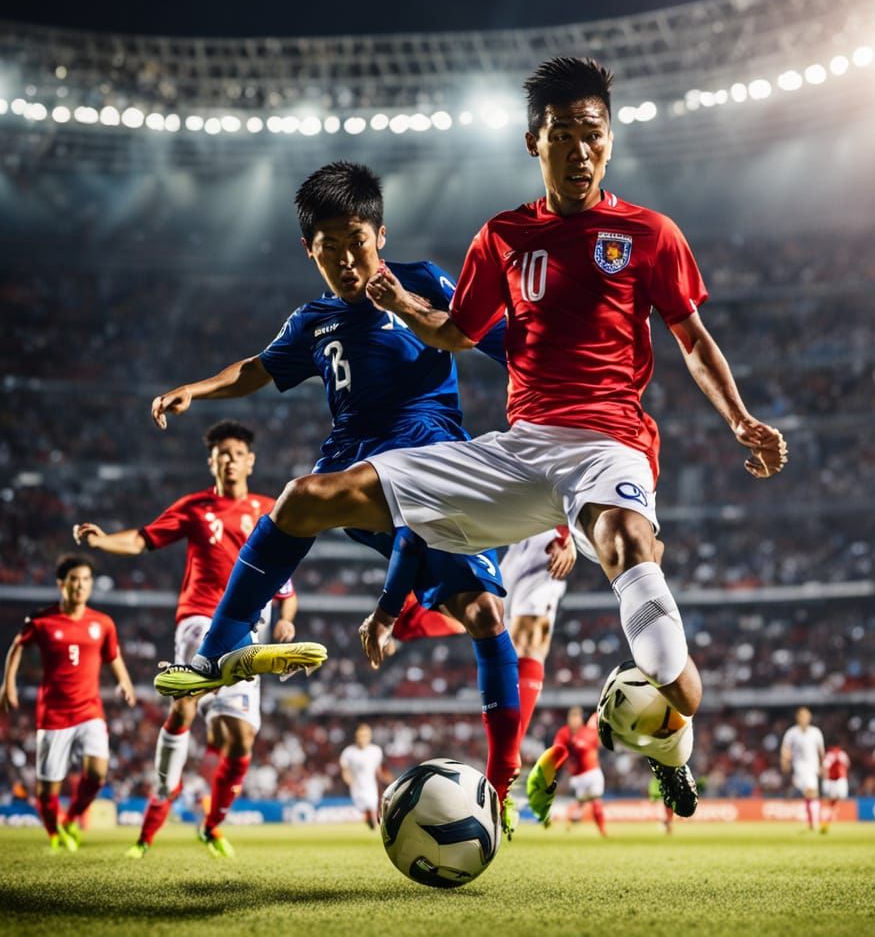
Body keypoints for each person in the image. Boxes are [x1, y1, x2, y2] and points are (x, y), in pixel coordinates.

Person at [156, 57, 788, 823]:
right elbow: (460, 332)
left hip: (607, 443)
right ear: (535, 142)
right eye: (564, 136)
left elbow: (692, 340)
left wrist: (740, 419)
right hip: (518, 449)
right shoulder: (500, 238)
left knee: (642, 596)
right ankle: (219, 651)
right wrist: (403, 305)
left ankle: (655, 741)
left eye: (593, 135)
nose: (580, 149)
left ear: (610, 142)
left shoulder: (649, 234)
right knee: (300, 498)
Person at [147, 162, 523, 824]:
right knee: (297, 500)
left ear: (381, 233)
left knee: (489, 617)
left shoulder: (423, 281)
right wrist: (196, 390)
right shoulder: (313, 320)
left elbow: (499, 340)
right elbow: (259, 369)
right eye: (331, 248)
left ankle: (502, 783)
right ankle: (216, 654)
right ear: (309, 250)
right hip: (357, 463)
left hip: (431, 458)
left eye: (358, 241)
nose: (348, 260)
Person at [73, 420, 298, 858]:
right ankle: (162, 796)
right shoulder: (195, 507)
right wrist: (103, 542)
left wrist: (286, 620)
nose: (229, 460)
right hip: (200, 616)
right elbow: (143, 540)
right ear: (211, 461)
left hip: (252, 623)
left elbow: (286, 586)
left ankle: (212, 826)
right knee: (185, 704)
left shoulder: (272, 512)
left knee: (241, 741)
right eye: (222, 453)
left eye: (237, 452)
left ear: (250, 461)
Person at [1, 555, 135, 852]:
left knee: (98, 773)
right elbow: (16, 648)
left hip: (90, 709)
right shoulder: (42, 620)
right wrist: (7, 683)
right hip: (53, 715)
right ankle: (54, 831)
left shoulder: (102, 623)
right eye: (74, 579)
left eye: (86, 580)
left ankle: (72, 818)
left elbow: (113, 656)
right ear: (61, 583)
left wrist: (123, 681)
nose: (80, 585)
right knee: (48, 787)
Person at [500, 526, 576, 743]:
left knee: (527, 642)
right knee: (484, 626)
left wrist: (566, 534)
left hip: (545, 533)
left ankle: (507, 755)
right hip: (508, 534)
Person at [531, 707, 607, 836]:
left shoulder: (589, 732)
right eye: (572, 717)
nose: (574, 720)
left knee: (596, 800)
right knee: (583, 801)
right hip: (578, 776)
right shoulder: (564, 733)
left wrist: (600, 728)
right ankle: (571, 819)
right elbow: (558, 750)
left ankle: (602, 830)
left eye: (576, 717)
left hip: (594, 772)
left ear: (581, 718)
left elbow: (599, 744)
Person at [781, 706, 825, 832]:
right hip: (799, 767)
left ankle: (813, 822)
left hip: (813, 767)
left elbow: (821, 751)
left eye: (806, 715)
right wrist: (784, 762)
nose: (804, 718)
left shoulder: (816, 732)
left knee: (811, 792)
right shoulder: (791, 733)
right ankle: (813, 822)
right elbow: (785, 749)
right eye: (801, 715)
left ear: (810, 717)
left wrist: (823, 766)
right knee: (809, 793)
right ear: (797, 718)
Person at [339, 722, 389, 829]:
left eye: (365, 735)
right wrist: (348, 780)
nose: (362, 738)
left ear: (369, 736)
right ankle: (370, 819)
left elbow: (378, 770)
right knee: (362, 807)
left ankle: (373, 820)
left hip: (371, 786)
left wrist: (385, 779)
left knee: (371, 804)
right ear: (356, 736)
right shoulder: (349, 752)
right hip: (356, 786)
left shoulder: (376, 751)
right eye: (360, 736)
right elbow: (345, 770)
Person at [820, 742, 851, 834]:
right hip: (841, 780)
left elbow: (825, 767)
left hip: (832, 781)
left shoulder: (830, 755)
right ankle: (830, 819)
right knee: (840, 798)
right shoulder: (842, 754)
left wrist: (825, 780)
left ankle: (827, 819)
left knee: (832, 800)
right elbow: (848, 764)